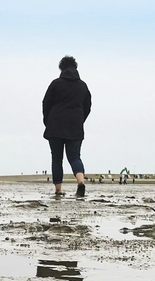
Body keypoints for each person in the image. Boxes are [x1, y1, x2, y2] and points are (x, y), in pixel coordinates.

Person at [42, 55, 92, 197]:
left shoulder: (55, 84)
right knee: (75, 157)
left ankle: (58, 190)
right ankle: (80, 182)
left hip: (55, 126)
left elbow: (46, 104)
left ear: (61, 69)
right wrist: (80, 120)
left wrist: (47, 121)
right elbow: (88, 106)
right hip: (75, 126)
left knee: (57, 158)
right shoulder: (82, 86)